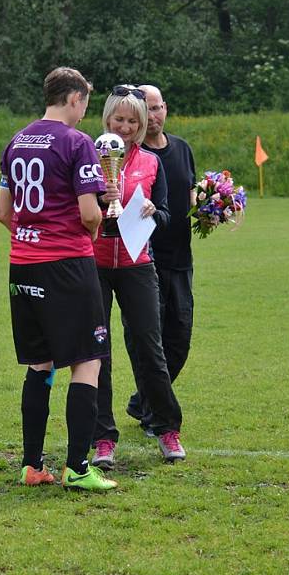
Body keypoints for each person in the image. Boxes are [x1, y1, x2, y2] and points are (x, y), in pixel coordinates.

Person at [0, 67, 117, 492]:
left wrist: (34, 238)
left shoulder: (16, 140)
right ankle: (79, 468)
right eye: (84, 102)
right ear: (73, 99)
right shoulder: (76, 142)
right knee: (88, 360)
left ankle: (32, 465)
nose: (85, 112)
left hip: (22, 265)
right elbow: (88, 213)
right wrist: (96, 226)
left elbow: (3, 213)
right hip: (66, 265)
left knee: (40, 364)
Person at [91, 85, 184, 470]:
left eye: (133, 120)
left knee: (150, 348)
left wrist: (150, 210)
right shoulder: (89, 159)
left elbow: (165, 215)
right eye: (119, 119)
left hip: (138, 264)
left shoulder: (152, 163)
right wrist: (99, 199)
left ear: (143, 122)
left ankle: (166, 428)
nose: (126, 127)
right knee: (98, 353)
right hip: (93, 265)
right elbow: (74, 211)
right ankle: (102, 439)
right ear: (107, 120)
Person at [124, 84, 196, 458]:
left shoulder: (182, 149)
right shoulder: (133, 156)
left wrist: (212, 209)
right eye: (147, 109)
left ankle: (142, 401)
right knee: (148, 342)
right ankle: (155, 414)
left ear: (166, 109)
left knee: (179, 338)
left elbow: (188, 197)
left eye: (158, 107)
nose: (154, 115)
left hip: (182, 259)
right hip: (145, 261)